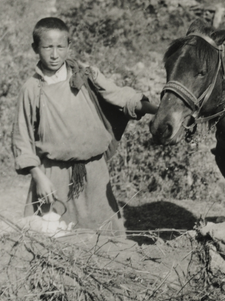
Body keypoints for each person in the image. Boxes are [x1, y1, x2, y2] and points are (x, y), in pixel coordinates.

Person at [12, 17, 158, 235]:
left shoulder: (85, 75)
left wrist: (158, 109)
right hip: (53, 174)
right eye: (47, 47)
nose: (54, 54)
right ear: (35, 48)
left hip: (94, 172)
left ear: (69, 47)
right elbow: (21, 137)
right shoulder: (32, 89)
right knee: (53, 238)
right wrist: (38, 176)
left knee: (105, 239)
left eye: (60, 47)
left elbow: (120, 96)